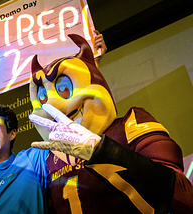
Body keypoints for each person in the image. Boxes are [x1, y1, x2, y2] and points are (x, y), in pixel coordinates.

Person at [28, 33, 193, 213]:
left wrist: (101, 151)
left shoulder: (130, 125)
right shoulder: (50, 159)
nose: (51, 105)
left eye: (64, 89)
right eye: (43, 97)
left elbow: (184, 196)